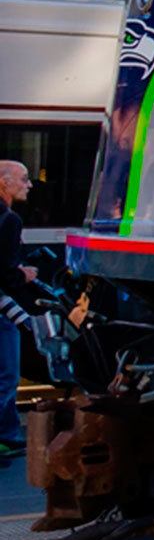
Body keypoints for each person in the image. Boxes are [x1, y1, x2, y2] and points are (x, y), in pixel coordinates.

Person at [0, 160, 37, 458]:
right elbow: (5, 274)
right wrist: (23, 275)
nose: (29, 184)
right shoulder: (10, 220)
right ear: (4, 183)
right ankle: (7, 435)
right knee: (6, 373)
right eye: (24, 179)